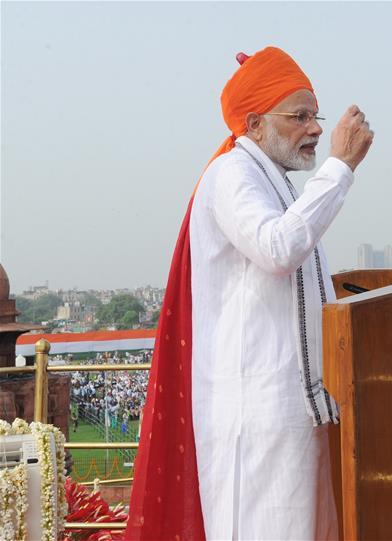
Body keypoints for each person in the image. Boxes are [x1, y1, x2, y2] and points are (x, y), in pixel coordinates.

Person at [126, 46, 373, 540]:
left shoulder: (272, 182)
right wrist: (341, 168)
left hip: (291, 408)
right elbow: (279, 248)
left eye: (315, 116)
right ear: (255, 123)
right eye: (299, 116)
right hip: (253, 414)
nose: (317, 129)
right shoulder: (232, 174)